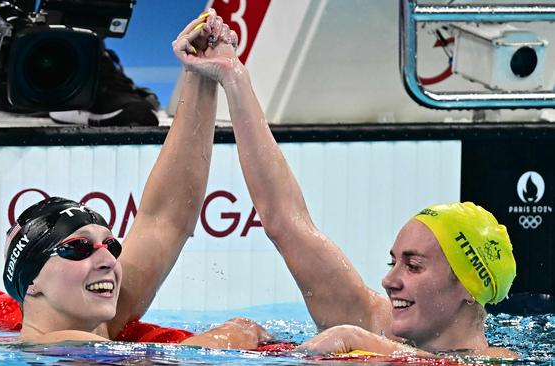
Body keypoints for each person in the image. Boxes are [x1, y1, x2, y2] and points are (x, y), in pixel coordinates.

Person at [177, 31, 518, 357]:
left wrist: (356, 340)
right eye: (393, 262)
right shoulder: (374, 324)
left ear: (468, 288)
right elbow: (286, 223)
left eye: (413, 266)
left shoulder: (504, 360)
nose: (388, 280)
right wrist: (234, 77)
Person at [2, 10, 271, 348]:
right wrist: (235, 334)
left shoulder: (91, 320)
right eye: (78, 248)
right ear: (32, 282)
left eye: (111, 246)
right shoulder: (59, 348)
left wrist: (200, 74)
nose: (107, 260)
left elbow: (166, 220)